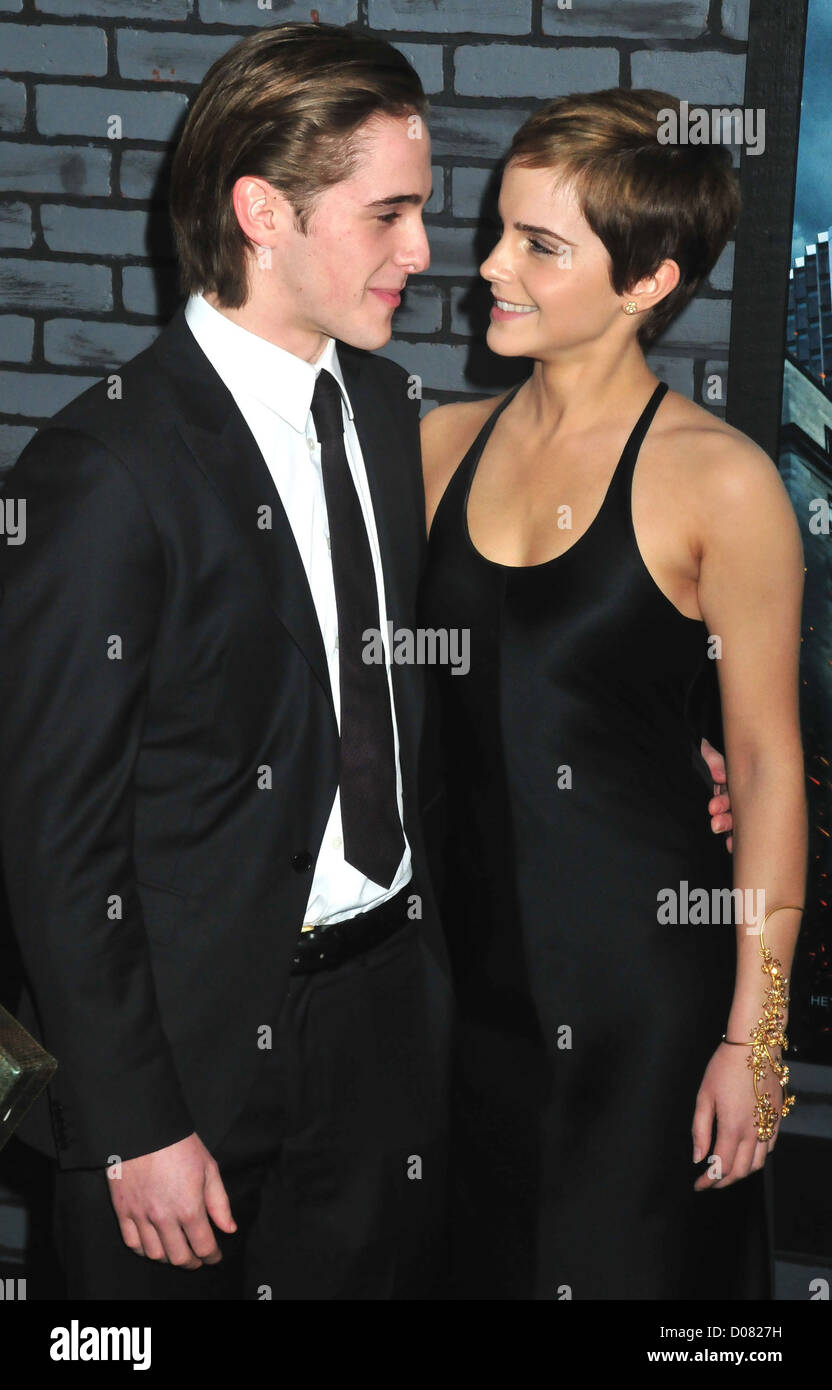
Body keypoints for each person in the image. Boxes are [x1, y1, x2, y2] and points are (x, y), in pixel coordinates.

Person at [0, 22, 453, 1300]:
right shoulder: (101, 475)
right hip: (186, 1067)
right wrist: (132, 1118)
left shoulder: (382, 409)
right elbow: (51, 837)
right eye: (391, 215)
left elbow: (416, 683)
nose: (423, 254)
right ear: (264, 210)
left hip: (383, 1026)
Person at [419, 89, 806, 1300]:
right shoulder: (434, 449)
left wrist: (757, 1040)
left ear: (646, 283)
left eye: (540, 245)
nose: (489, 265)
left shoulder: (723, 482)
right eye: (498, 229)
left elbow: (767, 770)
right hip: (448, 995)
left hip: (637, 999)